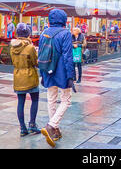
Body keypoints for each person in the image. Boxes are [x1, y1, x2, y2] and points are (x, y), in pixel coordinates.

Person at [39, 10, 75, 148]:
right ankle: (51, 125)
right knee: (66, 99)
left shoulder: (44, 32)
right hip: (61, 71)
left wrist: (42, 73)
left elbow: (41, 53)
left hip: (47, 70)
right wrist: (71, 75)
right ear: (63, 19)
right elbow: (68, 56)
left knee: (51, 99)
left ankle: (55, 131)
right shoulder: (65, 33)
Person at [10, 23, 41, 137]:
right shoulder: (30, 47)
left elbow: (13, 61)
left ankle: (22, 128)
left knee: (20, 102)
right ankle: (32, 125)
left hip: (18, 75)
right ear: (28, 34)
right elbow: (35, 62)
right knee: (35, 100)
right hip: (30, 75)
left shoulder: (13, 47)